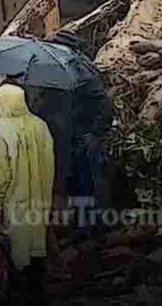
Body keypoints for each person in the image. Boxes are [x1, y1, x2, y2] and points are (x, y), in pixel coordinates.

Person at [0, 83, 55, 303]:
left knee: (14, 254)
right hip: (40, 201)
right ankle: (37, 293)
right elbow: (50, 165)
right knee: (35, 250)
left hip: (13, 206)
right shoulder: (40, 126)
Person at [45, 30, 112, 216]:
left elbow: (104, 102)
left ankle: (91, 224)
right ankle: (80, 220)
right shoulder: (67, 67)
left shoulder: (81, 70)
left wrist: (96, 134)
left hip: (84, 138)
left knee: (87, 183)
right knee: (75, 181)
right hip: (72, 137)